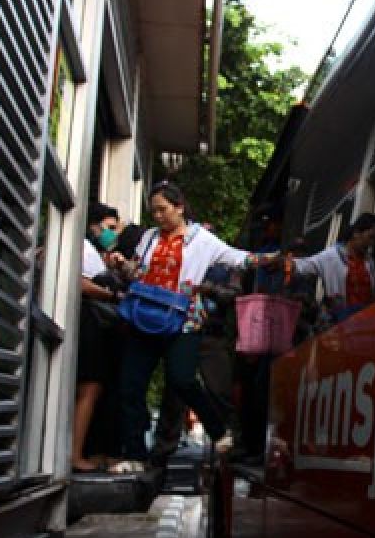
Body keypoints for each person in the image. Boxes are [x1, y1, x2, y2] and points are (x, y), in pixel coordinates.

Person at [107, 180, 280, 472]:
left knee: (182, 379)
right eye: (154, 211)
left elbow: (239, 259)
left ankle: (217, 430)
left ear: (180, 207)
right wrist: (121, 264)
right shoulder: (149, 237)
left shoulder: (204, 240)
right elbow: (137, 271)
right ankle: (135, 455)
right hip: (145, 315)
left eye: (163, 210)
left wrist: (272, 258)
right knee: (130, 385)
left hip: (184, 319)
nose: (158, 217)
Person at [73, 209, 122, 473]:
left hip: (86, 325)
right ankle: (75, 455)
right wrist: (111, 295)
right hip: (83, 324)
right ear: (93, 226)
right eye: (108, 227)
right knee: (88, 390)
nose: (112, 234)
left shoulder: (96, 254)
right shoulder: (77, 246)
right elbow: (78, 282)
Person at [292, 213, 375, 323]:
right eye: (370, 237)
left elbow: (374, 293)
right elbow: (303, 265)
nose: (372, 243)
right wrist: (281, 262)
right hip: (339, 324)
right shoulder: (332, 256)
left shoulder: (369, 262)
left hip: (364, 323)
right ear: (356, 233)